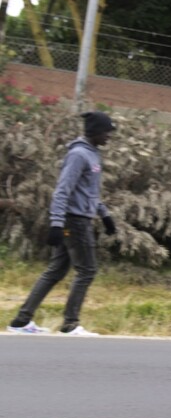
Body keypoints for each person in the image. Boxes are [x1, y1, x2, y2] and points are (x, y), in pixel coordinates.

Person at [7, 111, 118, 336]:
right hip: (74, 221)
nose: (109, 136)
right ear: (95, 131)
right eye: (107, 132)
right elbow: (62, 190)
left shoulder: (93, 155)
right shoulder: (78, 154)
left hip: (81, 218)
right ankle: (70, 324)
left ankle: (21, 321)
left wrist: (105, 215)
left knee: (55, 271)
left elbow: (90, 192)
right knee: (87, 270)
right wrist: (56, 223)